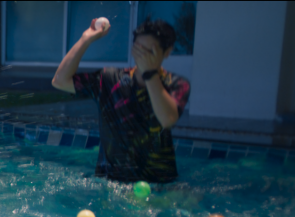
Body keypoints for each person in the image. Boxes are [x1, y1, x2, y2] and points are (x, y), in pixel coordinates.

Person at [52, 18, 191, 183]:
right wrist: (86, 39)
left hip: (158, 186)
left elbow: (167, 119)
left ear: (167, 52)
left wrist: (149, 74)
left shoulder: (176, 84)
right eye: (139, 49)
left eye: (150, 51)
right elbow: (60, 81)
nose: (143, 56)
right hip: (112, 183)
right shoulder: (110, 79)